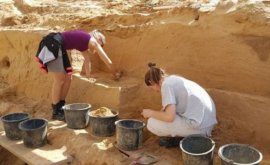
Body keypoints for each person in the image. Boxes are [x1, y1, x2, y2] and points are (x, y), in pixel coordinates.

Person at [35, 29, 121, 121]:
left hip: (57, 45)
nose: (101, 47)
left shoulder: (84, 42)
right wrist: (115, 73)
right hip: (53, 44)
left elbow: (87, 60)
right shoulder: (93, 41)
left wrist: (89, 75)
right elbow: (108, 61)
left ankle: (61, 106)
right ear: (99, 38)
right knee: (59, 79)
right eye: (102, 44)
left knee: (68, 78)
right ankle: (56, 111)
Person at [141, 63, 217, 148]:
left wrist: (150, 113)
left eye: (152, 88)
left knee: (151, 123)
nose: (154, 91)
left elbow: (169, 117)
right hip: (208, 123)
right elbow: (168, 110)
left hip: (200, 128)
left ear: (151, 82)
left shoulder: (166, 86)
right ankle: (184, 135)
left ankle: (180, 139)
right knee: (160, 117)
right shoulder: (173, 79)